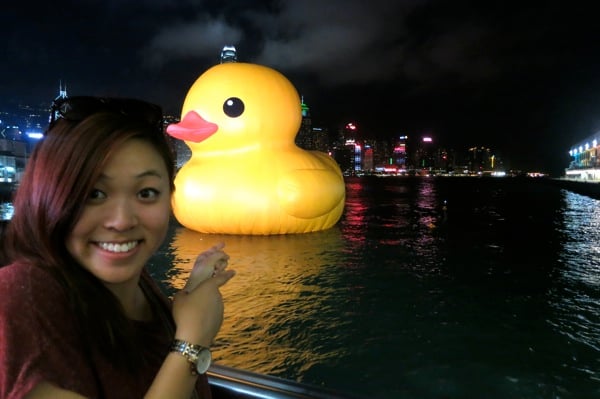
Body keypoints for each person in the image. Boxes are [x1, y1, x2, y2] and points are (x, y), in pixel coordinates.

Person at [0, 96, 235, 399]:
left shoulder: (136, 285)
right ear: (48, 195)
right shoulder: (20, 300)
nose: (122, 221)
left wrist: (190, 293)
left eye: (147, 192)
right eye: (95, 193)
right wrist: (192, 341)